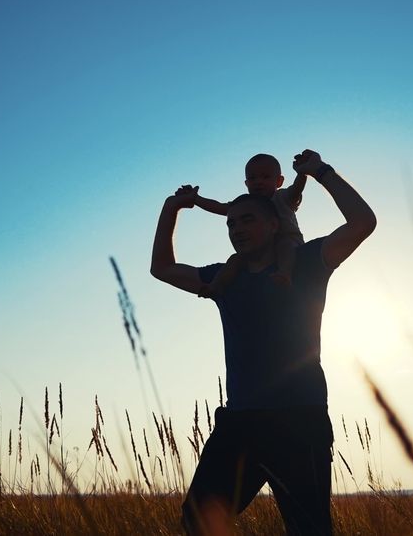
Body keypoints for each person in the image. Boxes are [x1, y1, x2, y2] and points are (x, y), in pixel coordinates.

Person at [150, 149, 376, 535]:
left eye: (247, 219)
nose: (236, 228)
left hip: (298, 420)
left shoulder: (307, 263)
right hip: (239, 422)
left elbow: (362, 222)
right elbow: (163, 269)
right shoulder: (224, 277)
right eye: (231, 223)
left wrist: (319, 172)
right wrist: (172, 209)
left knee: (309, 530)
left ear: (275, 224)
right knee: (198, 521)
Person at [182, 154, 308, 298]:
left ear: (279, 181)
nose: (258, 182)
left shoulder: (283, 197)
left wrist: (302, 173)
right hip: (259, 251)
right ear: (246, 183)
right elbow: (219, 207)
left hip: (288, 241)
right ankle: (215, 286)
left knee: (285, 246)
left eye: (265, 177)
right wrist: (196, 199)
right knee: (235, 259)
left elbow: (297, 189)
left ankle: (284, 273)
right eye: (252, 178)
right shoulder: (245, 205)